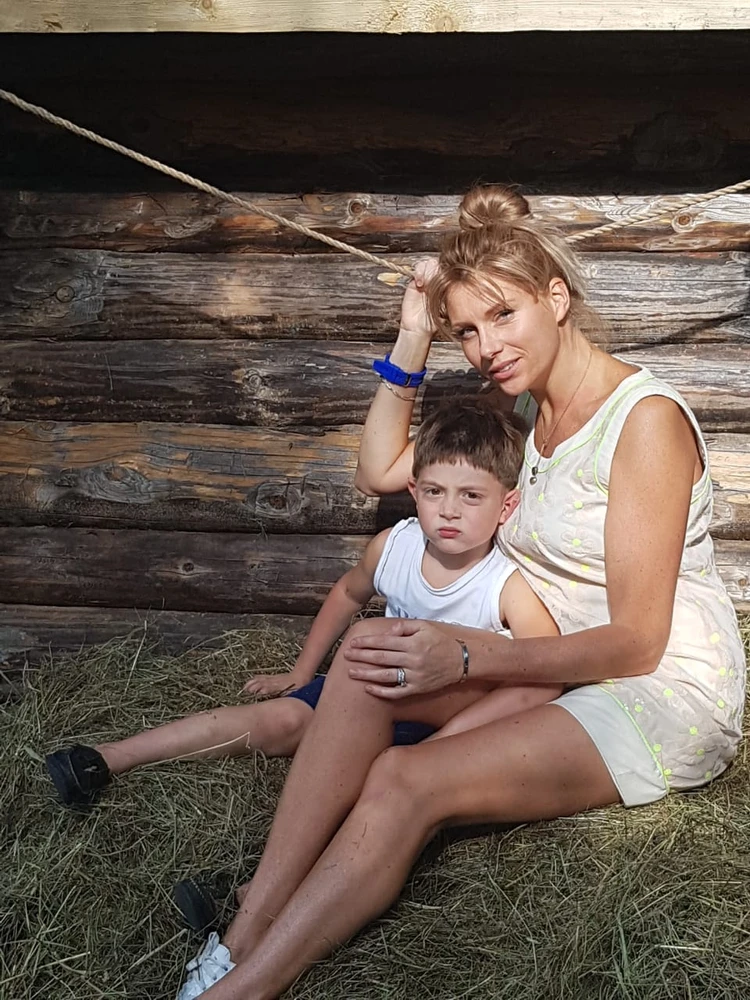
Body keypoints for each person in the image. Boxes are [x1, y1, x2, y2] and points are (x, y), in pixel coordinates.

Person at [173, 185, 746, 1000]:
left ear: (557, 298)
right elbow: (379, 469)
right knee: (366, 657)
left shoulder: (642, 421)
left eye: (503, 315)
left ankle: (240, 991)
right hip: (550, 663)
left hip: (651, 688)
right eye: (468, 330)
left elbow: (638, 641)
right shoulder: (524, 407)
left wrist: (471, 656)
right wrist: (414, 332)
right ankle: (246, 927)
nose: (485, 348)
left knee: (407, 781)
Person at [45, 400, 559, 814]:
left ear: (506, 506)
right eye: (434, 491)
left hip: (433, 721)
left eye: (471, 496)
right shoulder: (393, 546)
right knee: (280, 719)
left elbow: (543, 672)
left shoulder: (504, 585)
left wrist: (449, 741)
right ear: (413, 490)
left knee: (363, 779)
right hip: (364, 689)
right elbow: (347, 594)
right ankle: (106, 758)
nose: (449, 510)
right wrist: (302, 670)